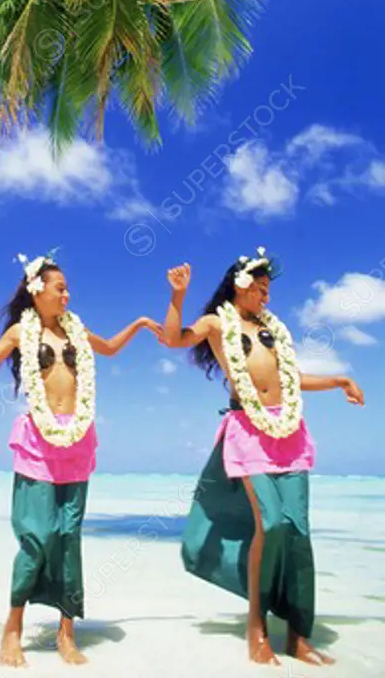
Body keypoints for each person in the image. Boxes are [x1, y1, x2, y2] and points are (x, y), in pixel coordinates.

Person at [0, 252, 163, 668]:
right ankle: (13, 627)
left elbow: (107, 348)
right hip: (38, 442)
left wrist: (141, 324)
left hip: (77, 442)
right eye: (60, 287)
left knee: (69, 537)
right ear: (37, 291)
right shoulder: (22, 332)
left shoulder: (77, 331)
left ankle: (66, 632)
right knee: (37, 538)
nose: (67, 293)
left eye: (68, 288)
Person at [159, 250, 365, 667]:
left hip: (289, 432)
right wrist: (177, 296)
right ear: (240, 284)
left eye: (269, 290)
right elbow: (174, 338)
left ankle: (298, 634)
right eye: (260, 288)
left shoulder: (273, 330)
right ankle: (256, 625)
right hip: (248, 431)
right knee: (270, 524)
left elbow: (291, 379)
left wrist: (339, 379)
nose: (266, 296)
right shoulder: (219, 322)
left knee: (298, 531)